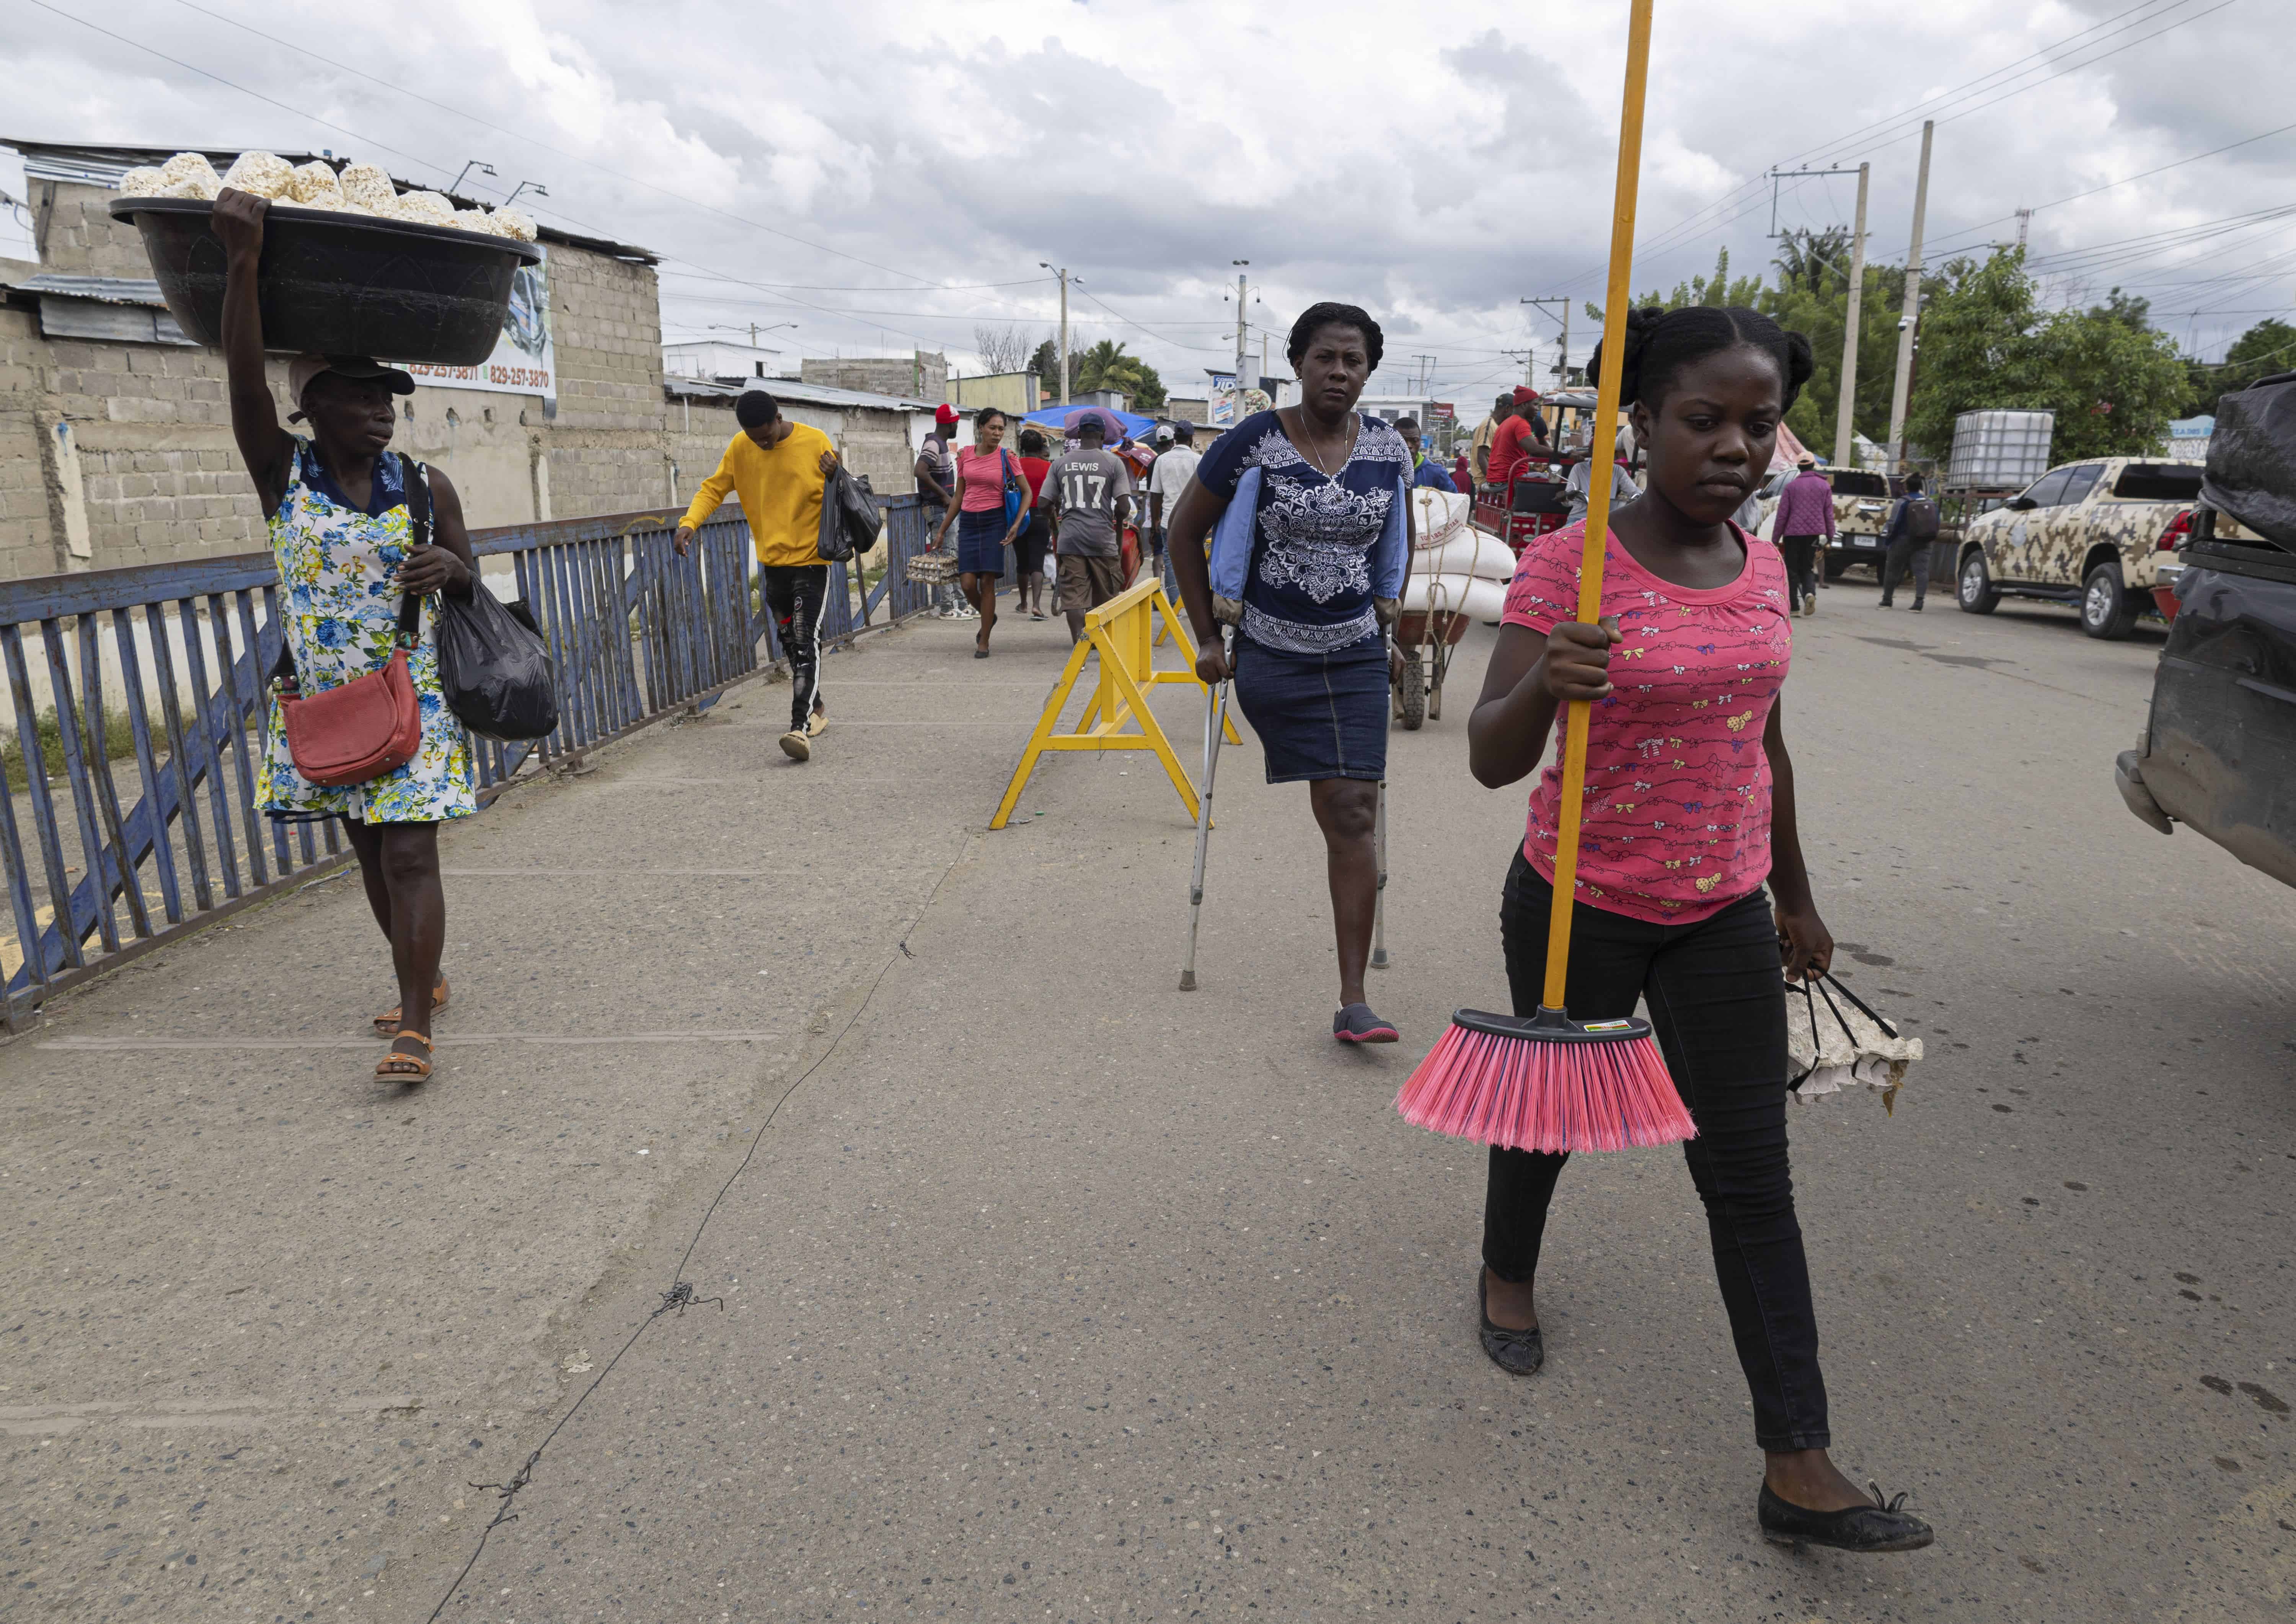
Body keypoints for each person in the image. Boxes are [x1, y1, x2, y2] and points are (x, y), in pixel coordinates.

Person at [1463, 303, 1932, 1554]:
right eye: (1704, 418)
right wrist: (1546, 682)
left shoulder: (1766, 563)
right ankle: (1508, 1271)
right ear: (1646, 424)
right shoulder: (1571, 565)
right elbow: (1487, 755)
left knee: (1749, 1177)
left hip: (1722, 909)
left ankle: (1799, 1458)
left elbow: (1764, 741)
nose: (1734, 445)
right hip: (1579, 903)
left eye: (1759, 423)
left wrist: (1796, 891)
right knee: (1548, 1117)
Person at [212, 188, 478, 1083]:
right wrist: (243, 263)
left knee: (409, 847)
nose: (379, 408)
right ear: (310, 406)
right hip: (326, 701)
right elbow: (243, 378)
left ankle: (414, 1024)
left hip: (410, 695)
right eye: (357, 395)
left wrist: (449, 568)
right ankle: (424, 978)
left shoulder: (426, 485)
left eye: (386, 396)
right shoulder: (282, 473)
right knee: (368, 850)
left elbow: (471, 579)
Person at [1168, 302, 1410, 1045]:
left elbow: (1391, 543)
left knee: (1352, 810)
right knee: (1341, 800)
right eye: (1326, 359)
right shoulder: (1256, 440)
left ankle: (1352, 1000)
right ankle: (1351, 989)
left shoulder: (1389, 449)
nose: (1339, 372)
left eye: (1354, 361)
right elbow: (1183, 532)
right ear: (1299, 363)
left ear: (1369, 371)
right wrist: (1207, 636)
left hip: (1357, 647)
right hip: (1272, 652)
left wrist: (1391, 628)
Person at [676, 390, 840, 759]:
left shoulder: (815, 442)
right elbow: (713, 489)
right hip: (774, 565)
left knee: (805, 637)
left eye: (766, 436)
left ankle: (799, 729)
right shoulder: (740, 447)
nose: (762, 444)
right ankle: (817, 708)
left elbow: (841, 491)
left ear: (779, 418)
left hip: (813, 561)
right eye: (755, 438)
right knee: (790, 641)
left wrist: (836, 473)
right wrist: (690, 523)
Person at [932, 405, 1025, 657]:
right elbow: (958, 496)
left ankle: (984, 640)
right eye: (993, 428)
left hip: (995, 522)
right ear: (981, 428)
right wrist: (942, 531)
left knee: (987, 583)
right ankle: (988, 616)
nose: (997, 433)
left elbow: (1026, 492)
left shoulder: (1008, 457)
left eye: (1001, 429)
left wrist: (1015, 524)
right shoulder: (965, 456)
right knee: (967, 582)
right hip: (970, 524)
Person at [1038, 416, 1133, 641]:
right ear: (1103, 436)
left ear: (1079, 435)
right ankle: (1102, 645)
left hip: (1070, 539)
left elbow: (1043, 503)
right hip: (1103, 540)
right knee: (1106, 596)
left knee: (1074, 598)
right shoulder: (1113, 463)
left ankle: (1078, 648)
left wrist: (1055, 516)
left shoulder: (1060, 464)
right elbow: (1123, 507)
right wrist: (1118, 519)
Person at [915, 404, 974, 620]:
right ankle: (947, 607)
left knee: (952, 555)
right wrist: (944, 496)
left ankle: (960, 604)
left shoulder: (939, 444)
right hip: (938, 508)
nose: (957, 425)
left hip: (943, 508)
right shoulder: (934, 444)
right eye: (956, 422)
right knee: (946, 557)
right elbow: (920, 471)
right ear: (950, 424)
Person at [1772, 453, 1836, 616]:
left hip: (1792, 534)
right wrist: (1830, 534)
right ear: (1814, 466)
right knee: (1807, 567)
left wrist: (1775, 538)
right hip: (1814, 534)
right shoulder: (1824, 486)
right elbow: (1829, 513)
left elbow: (1782, 515)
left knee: (1792, 569)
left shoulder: (1791, 487)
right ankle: (1809, 594)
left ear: (1799, 467)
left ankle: (1794, 608)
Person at [1146, 421, 1201, 583]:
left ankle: (1173, 605)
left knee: (1170, 560)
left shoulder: (1161, 461)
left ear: (1175, 438)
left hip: (1168, 521)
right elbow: (1203, 494)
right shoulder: (1199, 460)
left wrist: (1156, 520)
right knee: (1192, 559)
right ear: (1191, 438)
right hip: (1192, 521)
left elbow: (1156, 495)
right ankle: (1188, 602)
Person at [1013, 427, 1055, 620]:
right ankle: (1037, 607)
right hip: (1041, 516)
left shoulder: (1015, 465)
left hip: (1019, 518)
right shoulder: (1048, 468)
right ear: (1040, 447)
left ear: (1022, 446)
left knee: (1022, 563)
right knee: (1037, 563)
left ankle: (1023, 604)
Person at [1877, 471, 1935, 611]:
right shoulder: (1930, 502)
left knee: (1892, 570)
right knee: (1921, 571)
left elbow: (1893, 523)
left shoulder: (1902, 502)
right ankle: (1919, 603)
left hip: (1903, 541)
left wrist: (1889, 540)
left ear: (1907, 487)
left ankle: (1887, 600)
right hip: (1925, 541)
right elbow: (1936, 523)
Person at [1562, 442, 1639, 526]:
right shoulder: (1579, 468)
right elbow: (1569, 498)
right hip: (1579, 518)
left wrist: (1638, 497)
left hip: (1606, 520)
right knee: (1564, 537)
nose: (1601, 452)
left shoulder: (1618, 470)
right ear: (1590, 450)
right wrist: (1566, 497)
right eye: (1596, 448)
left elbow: (1634, 491)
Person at [1396, 416, 1457, 490]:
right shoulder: (1382, 472)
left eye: (1415, 440)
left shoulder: (1437, 473)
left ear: (1420, 442)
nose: (1409, 446)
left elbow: (1454, 500)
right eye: (1403, 441)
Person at [1470, 392, 1511, 486]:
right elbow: (1482, 456)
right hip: (1485, 481)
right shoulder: (1489, 425)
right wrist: (1494, 482)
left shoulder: (1496, 426)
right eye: (1514, 411)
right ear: (1507, 409)